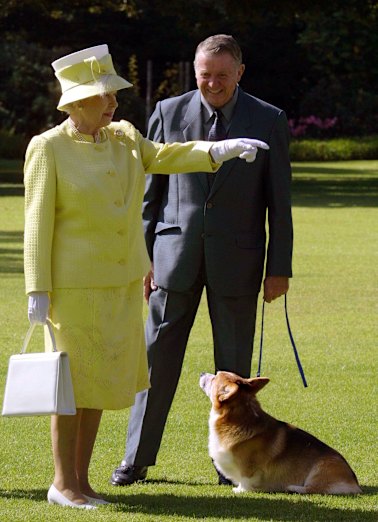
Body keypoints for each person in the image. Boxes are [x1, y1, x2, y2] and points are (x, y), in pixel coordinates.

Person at [24, 43, 268, 509]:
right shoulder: (48, 147)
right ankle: (63, 483)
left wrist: (217, 149)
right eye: (104, 96)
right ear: (77, 102)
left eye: (114, 95)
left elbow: (167, 155)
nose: (114, 103)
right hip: (71, 289)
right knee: (70, 387)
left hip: (118, 285)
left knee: (96, 385)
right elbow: (36, 223)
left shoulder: (124, 137)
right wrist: (37, 288)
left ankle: (81, 481)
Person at [110, 34, 293, 487]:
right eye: (204, 75)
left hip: (240, 262)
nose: (212, 83)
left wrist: (279, 267)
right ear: (195, 71)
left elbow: (280, 203)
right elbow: (149, 196)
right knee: (155, 364)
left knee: (235, 370)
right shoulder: (167, 113)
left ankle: (229, 466)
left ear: (240, 73)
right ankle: (136, 459)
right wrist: (143, 257)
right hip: (172, 260)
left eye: (221, 75)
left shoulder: (269, 119)